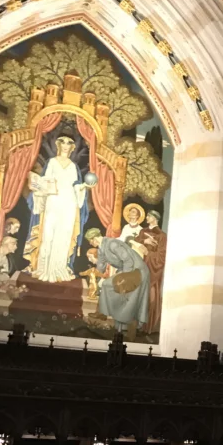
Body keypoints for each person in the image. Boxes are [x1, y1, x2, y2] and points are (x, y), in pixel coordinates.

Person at [29, 135, 94, 283]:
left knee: (64, 235)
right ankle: (45, 269)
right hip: (54, 200)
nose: (65, 145)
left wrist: (84, 186)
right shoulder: (52, 162)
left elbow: (75, 186)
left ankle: (59, 268)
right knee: (48, 234)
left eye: (69, 143)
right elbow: (44, 182)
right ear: (58, 145)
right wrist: (38, 185)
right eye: (62, 142)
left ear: (72, 148)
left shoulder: (73, 166)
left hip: (69, 202)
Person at [84, 227, 149, 337]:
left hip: (137, 271)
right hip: (127, 270)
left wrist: (124, 277)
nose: (90, 243)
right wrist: (95, 278)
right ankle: (103, 313)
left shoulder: (112, 244)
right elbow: (101, 267)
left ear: (94, 238)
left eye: (90, 241)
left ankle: (126, 325)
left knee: (119, 291)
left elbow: (128, 260)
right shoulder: (101, 249)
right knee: (105, 284)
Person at [138, 209, 166, 335]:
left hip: (152, 269)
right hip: (140, 267)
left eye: (148, 216)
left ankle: (149, 327)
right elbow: (134, 242)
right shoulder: (143, 232)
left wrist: (148, 253)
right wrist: (145, 241)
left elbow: (161, 256)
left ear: (155, 218)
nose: (146, 218)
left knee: (151, 297)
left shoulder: (162, 235)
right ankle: (137, 325)